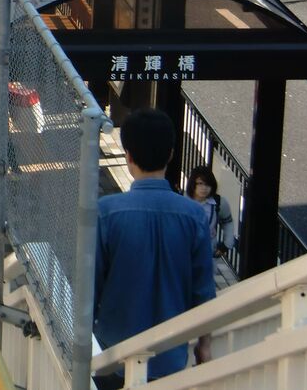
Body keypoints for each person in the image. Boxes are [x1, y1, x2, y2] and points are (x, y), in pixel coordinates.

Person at [93, 109, 215, 389]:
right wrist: (204, 344)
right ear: (170, 154)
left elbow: (90, 289)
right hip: (170, 358)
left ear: (128, 156)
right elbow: (203, 291)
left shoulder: (106, 213)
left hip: (113, 356)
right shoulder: (194, 215)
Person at [186, 165, 236, 262]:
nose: (204, 188)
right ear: (193, 184)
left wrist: (226, 245)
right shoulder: (181, 200)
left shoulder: (218, 202)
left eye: (207, 184)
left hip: (208, 253)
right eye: (200, 183)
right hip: (184, 252)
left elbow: (228, 222)